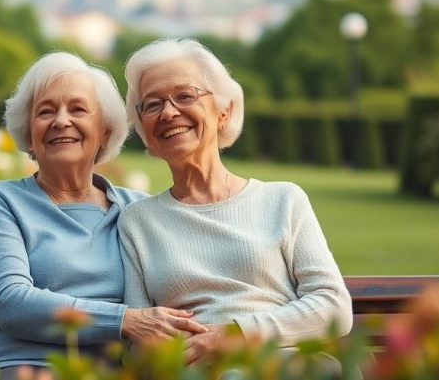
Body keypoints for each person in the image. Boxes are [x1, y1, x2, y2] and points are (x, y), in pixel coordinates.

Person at [0, 52, 208, 380]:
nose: (61, 121)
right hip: (19, 367)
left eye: (77, 109)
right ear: (29, 132)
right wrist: (125, 321)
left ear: (105, 130)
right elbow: (10, 301)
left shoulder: (139, 210)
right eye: (45, 111)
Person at [118, 38, 353, 365]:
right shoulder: (137, 222)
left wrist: (233, 336)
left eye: (184, 96)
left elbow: (333, 307)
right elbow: (138, 345)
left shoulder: (283, 200)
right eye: (152, 104)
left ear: (224, 112)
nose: (168, 112)